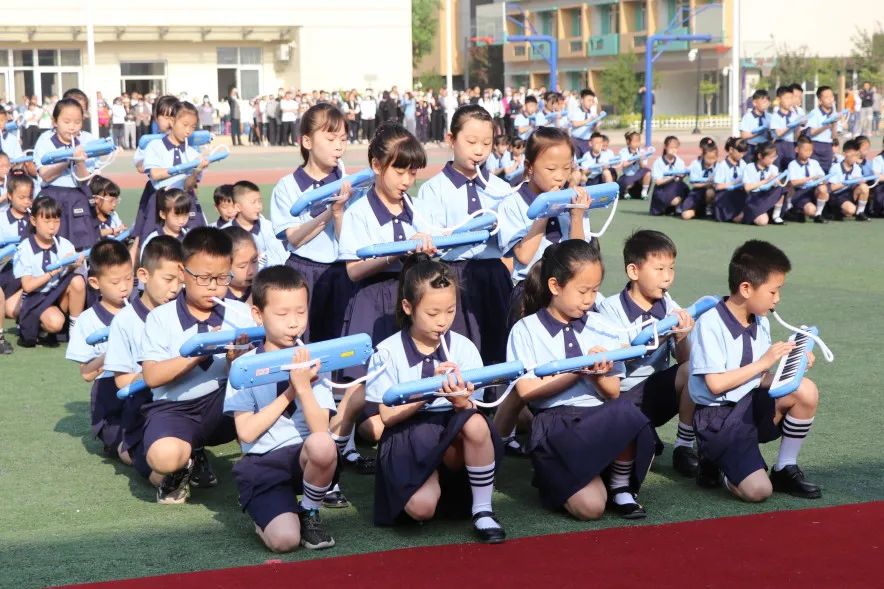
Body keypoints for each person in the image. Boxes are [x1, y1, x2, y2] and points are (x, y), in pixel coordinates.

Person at [507, 239, 655, 519]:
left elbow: (612, 391)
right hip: (555, 423)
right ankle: (558, 474)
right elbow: (525, 391)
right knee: (591, 508)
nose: (589, 299)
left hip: (597, 415)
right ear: (555, 286)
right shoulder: (526, 329)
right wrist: (577, 370)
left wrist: (598, 375)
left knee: (625, 409)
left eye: (595, 290)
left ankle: (620, 486)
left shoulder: (603, 326)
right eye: (582, 291)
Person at [367, 253, 506, 543]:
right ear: (408, 307)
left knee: (475, 422)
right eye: (432, 313)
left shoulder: (464, 347)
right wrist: (428, 390)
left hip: (452, 431)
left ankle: (483, 509)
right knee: (421, 508)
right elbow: (387, 416)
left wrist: (461, 401)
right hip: (408, 434)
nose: (443, 321)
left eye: (450, 311)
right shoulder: (387, 351)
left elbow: (475, 407)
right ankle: (435, 491)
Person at [690, 240, 821, 501]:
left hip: (748, 405)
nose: (777, 299)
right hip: (718, 418)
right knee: (759, 491)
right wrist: (764, 361)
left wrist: (793, 368)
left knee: (805, 389)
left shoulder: (760, 321)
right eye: (773, 291)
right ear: (746, 288)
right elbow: (715, 385)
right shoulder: (710, 323)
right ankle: (716, 460)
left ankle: (784, 467)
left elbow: (758, 379)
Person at [140, 227, 254, 504]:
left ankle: (259, 471)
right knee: (163, 457)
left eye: (222, 278)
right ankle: (184, 465)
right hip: (175, 408)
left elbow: (253, 376)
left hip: (223, 403)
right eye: (204, 278)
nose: (213, 286)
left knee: (263, 401)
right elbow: (152, 376)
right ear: (183, 272)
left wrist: (235, 361)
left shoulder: (240, 314)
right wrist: (197, 353)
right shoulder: (160, 318)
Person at [416, 104, 514, 364]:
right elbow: (430, 239)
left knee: (499, 347)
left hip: (494, 276)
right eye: (471, 142)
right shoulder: (433, 189)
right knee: (460, 349)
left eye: (487, 143)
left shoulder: (501, 188)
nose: (479, 150)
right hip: (453, 278)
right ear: (451, 139)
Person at [597, 230, 699, 477]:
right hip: (620, 395)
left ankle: (684, 446)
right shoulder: (610, 309)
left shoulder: (670, 306)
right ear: (634, 271)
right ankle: (642, 434)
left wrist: (682, 337)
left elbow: (684, 362)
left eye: (671, 268)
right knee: (643, 456)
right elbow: (617, 360)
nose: (667, 277)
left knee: (692, 370)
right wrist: (659, 335)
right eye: (659, 269)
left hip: (655, 392)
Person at [270, 103, 356, 343]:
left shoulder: (352, 185)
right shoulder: (287, 186)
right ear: (307, 142)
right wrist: (330, 211)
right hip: (302, 271)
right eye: (330, 139)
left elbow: (349, 240)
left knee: (339, 342)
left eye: (343, 139)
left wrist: (339, 213)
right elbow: (294, 238)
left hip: (341, 271)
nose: (339, 146)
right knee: (301, 341)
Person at [104, 236, 184, 479]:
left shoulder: (183, 312)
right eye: (168, 279)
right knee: (154, 469)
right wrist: (154, 374)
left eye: (181, 281)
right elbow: (121, 381)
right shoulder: (125, 321)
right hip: (138, 408)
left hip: (179, 403)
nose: (175, 288)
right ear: (144, 275)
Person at [65, 239, 134, 461]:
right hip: (110, 401)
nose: (124, 287)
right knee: (129, 449)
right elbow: (86, 374)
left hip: (141, 387)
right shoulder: (87, 320)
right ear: (95, 282)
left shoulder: (140, 310)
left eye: (129, 278)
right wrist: (113, 349)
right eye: (115, 282)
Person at [13, 196, 86, 347]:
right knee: (55, 323)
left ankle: (75, 328)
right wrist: (54, 271)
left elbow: (75, 274)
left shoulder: (65, 244)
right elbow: (28, 286)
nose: (52, 227)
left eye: (56, 221)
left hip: (58, 295)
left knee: (78, 280)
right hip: (36, 298)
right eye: (47, 221)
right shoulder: (25, 248)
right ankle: (39, 328)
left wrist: (74, 265)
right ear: (34, 221)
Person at [32, 98, 99, 252]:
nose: (72, 127)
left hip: (78, 197)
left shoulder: (86, 142)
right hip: (52, 198)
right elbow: (45, 175)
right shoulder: (45, 140)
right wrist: (67, 160)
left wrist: (80, 162)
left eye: (77, 122)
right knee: (51, 243)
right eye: (66, 122)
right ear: (55, 121)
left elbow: (84, 180)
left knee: (80, 245)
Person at [227, 180, 288, 268]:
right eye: (253, 202)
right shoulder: (225, 233)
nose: (259, 206)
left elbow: (280, 258)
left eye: (260, 201)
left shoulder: (271, 228)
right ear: (238, 207)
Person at [784, 135, 829, 223]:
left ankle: (818, 215)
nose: (808, 153)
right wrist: (808, 179)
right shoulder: (792, 164)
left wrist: (821, 179)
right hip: (800, 192)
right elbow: (792, 183)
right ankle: (795, 209)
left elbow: (823, 179)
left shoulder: (814, 163)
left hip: (813, 190)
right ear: (797, 149)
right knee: (811, 210)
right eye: (805, 150)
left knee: (823, 189)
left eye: (810, 150)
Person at [826, 139, 870, 221]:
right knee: (851, 210)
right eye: (853, 155)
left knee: (864, 187)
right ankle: (836, 211)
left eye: (857, 155)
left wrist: (860, 181)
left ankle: (860, 213)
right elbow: (831, 188)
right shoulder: (835, 167)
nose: (855, 158)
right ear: (845, 154)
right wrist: (847, 182)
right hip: (837, 196)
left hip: (850, 194)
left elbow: (860, 183)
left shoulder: (856, 168)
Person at [649, 135, 688, 216]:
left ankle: (678, 207)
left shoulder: (680, 162)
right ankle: (669, 207)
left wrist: (683, 175)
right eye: (671, 147)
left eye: (676, 148)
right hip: (662, 189)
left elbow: (680, 179)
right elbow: (658, 182)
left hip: (676, 187)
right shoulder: (658, 162)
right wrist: (672, 177)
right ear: (665, 147)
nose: (674, 150)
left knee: (684, 187)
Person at [806, 86, 842, 172]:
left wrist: (834, 123)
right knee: (815, 172)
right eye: (826, 97)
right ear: (820, 100)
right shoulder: (814, 113)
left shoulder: (835, 114)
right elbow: (812, 132)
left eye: (831, 96)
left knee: (827, 171)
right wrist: (826, 126)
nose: (830, 99)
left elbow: (834, 136)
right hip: (815, 146)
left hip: (828, 146)